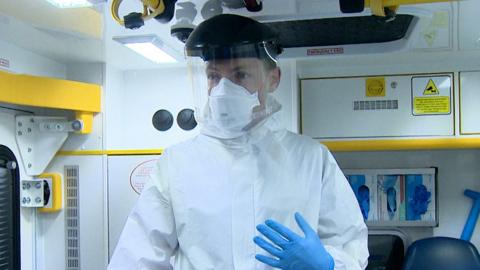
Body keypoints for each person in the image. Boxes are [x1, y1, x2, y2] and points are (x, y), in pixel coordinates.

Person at [108, 14, 368, 270]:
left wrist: (330, 265)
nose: (223, 90)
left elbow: (350, 246)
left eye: (240, 75)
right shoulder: (176, 164)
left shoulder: (311, 159)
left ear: (273, 79)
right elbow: (136, 257)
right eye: (213, 76)